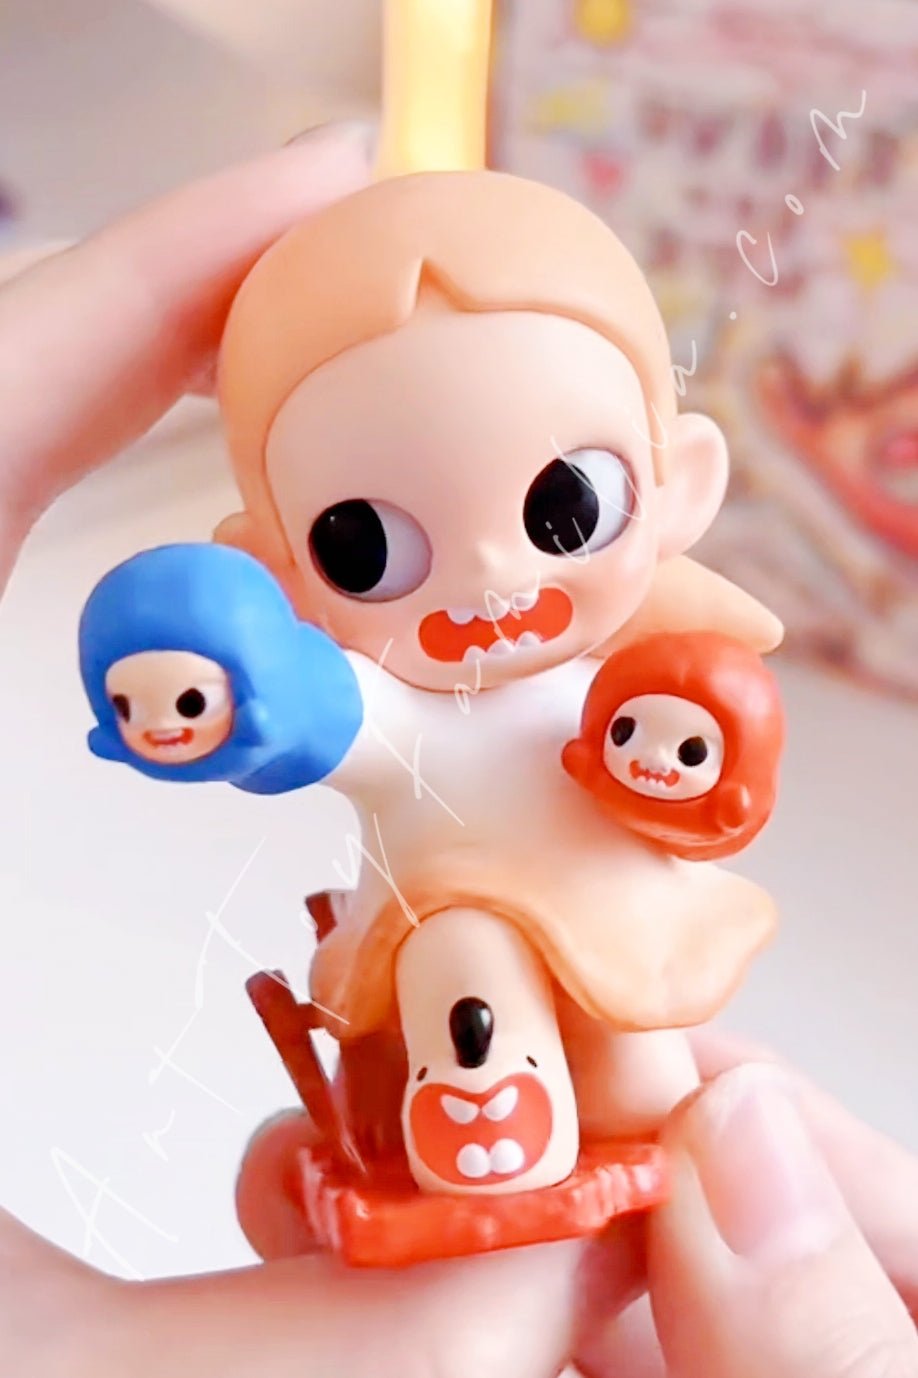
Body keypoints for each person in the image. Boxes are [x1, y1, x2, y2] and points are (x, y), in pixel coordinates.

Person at [1, 124, 916, 1378]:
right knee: (462, 945)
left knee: (651, 1079)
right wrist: (226, 688)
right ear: (279, 572)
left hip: (620, 931)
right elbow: (325, 714)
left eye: (565, 507)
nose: (491, 573)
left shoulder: (633, 683)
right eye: (365, 545)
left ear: (681, 487)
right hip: (444, 941)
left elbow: (709, 761)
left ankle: (602, 1118)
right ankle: (485, 1099)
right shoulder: (403, 719)